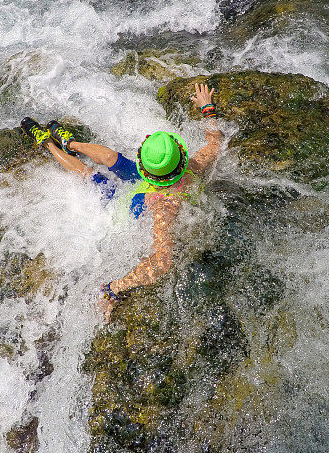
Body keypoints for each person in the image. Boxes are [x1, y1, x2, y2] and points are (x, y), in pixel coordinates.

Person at [20, 83, 222, 320]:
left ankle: (48, 143)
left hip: (128, 202)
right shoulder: (191, 170)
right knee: (108, 157)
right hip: (149, 189)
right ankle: (70, 143)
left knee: (88, 173)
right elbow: (214, 144)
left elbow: (162, 263)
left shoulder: (164, 204)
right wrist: (207, 107)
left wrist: (113, 289)